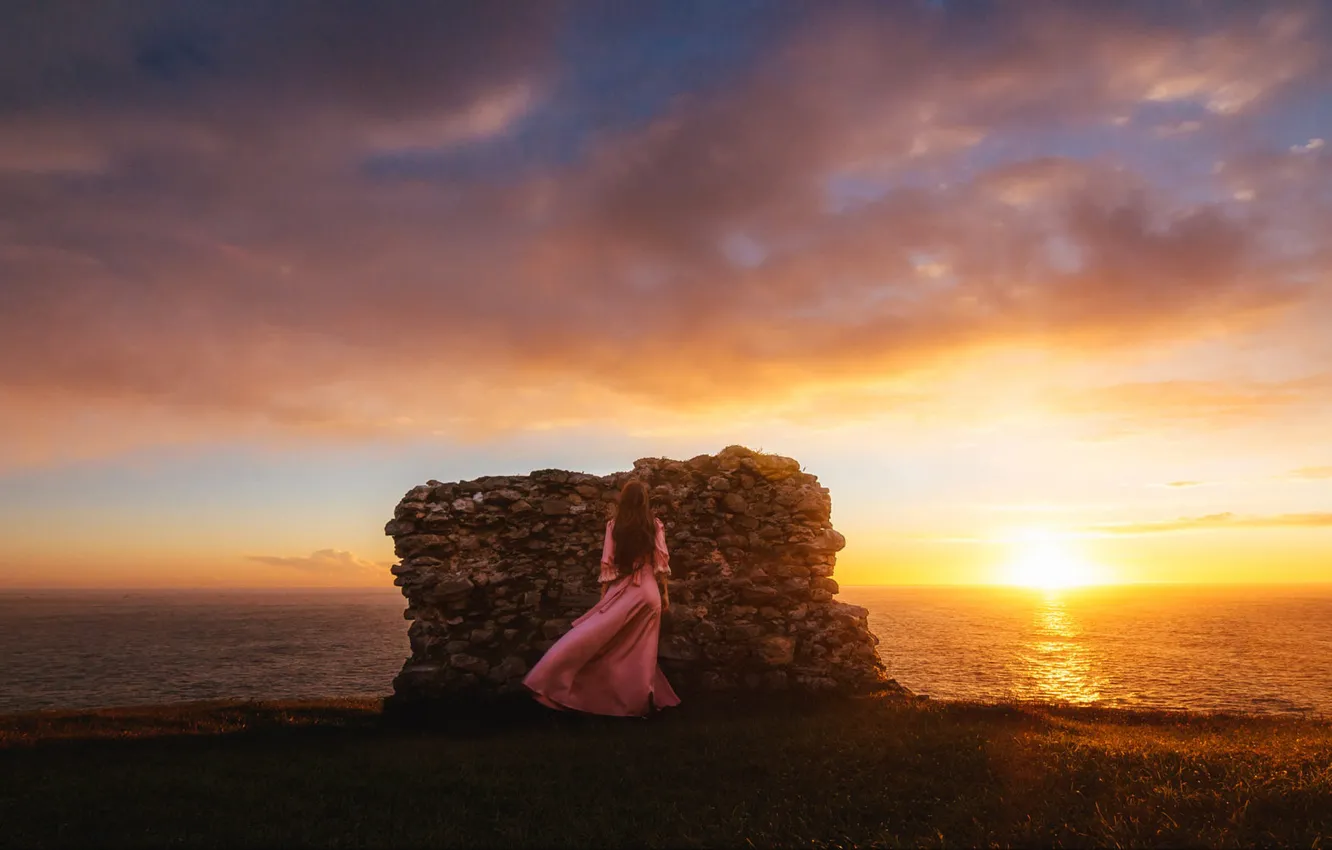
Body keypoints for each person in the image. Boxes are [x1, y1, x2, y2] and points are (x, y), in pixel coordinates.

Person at [522, 479, 681, 716]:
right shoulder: (654, 525)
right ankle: (638, 703)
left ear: (624, 500)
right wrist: (665, 595)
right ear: (645, 500)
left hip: (625, 589)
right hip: (649, 594)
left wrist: (603, 599)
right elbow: (660, 564)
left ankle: (552, 680)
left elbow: (607, 566)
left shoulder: (615, 526)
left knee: (593, 639)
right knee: (641, 653)